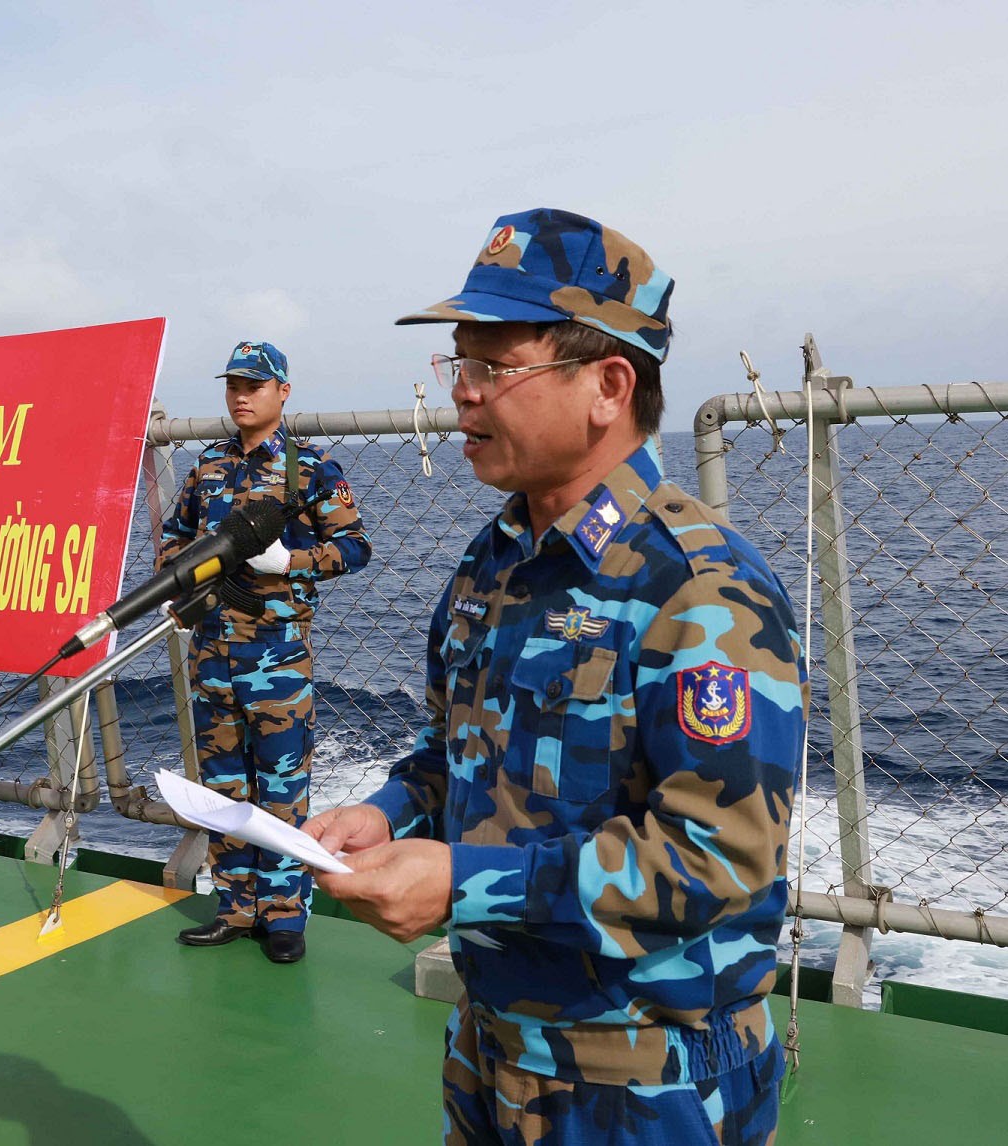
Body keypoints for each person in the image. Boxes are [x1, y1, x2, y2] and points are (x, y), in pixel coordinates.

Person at [305, 209, 806, 1143]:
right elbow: (457, 748)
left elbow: (715, 861)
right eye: (459, 367)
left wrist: (460, 884)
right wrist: (387, 810)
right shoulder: (494, 563)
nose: (463, 396)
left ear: (609, 385)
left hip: (641, 1081)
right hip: (495, 1049)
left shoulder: (700, 591)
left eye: (494, 369)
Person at [162, 340, 371, 964]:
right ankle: (235, 905)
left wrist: (292, 562)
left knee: (281, 787)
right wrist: (183, 583)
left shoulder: (310, 470)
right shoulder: (207, 469)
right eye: (233, 385)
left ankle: (284, 915)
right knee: (225, 787)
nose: (241, 395)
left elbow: (355, 548)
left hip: (275, 654)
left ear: (283, 392)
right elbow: (175, 539)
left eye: (255, 384)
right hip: (211, 652)